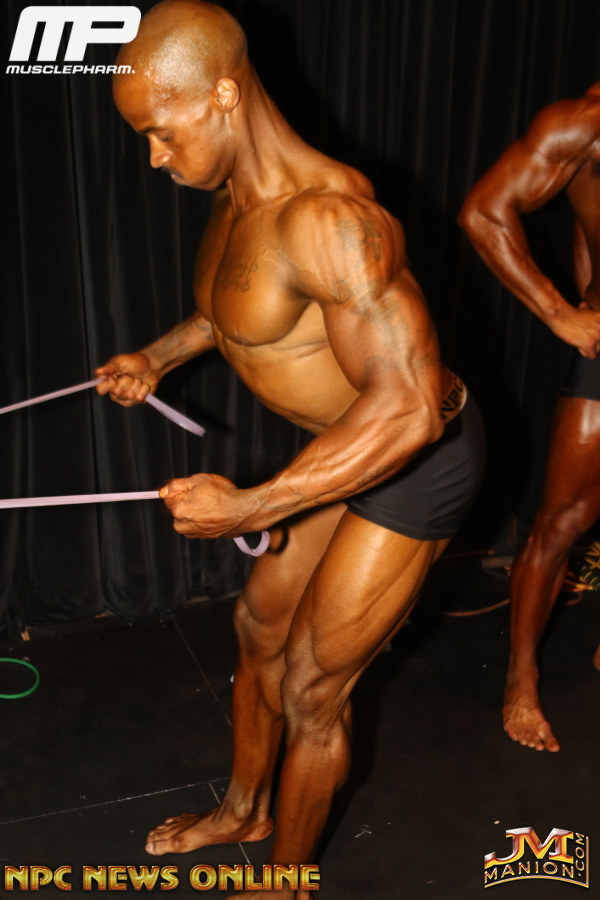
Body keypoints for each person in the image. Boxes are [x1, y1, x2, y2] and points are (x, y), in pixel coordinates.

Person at [96, 1, 484, 895]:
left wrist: (252, 504)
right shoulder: (236, 200)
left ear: (223, 95)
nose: (154, 157)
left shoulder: (333, 220)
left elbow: (410, 409)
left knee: (313, 687)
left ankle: (283, 882)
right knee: (258, 628)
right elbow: (235, 312)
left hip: (418, 462)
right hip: (341, 452)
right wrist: (156, 358)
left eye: (160, 132)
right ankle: (244, 810)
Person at [459, 84, 600, 753]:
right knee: (563, 521)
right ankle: (521, 678)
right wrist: (562, 313)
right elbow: (485, 210)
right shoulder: (585, 124)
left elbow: (585, 226)